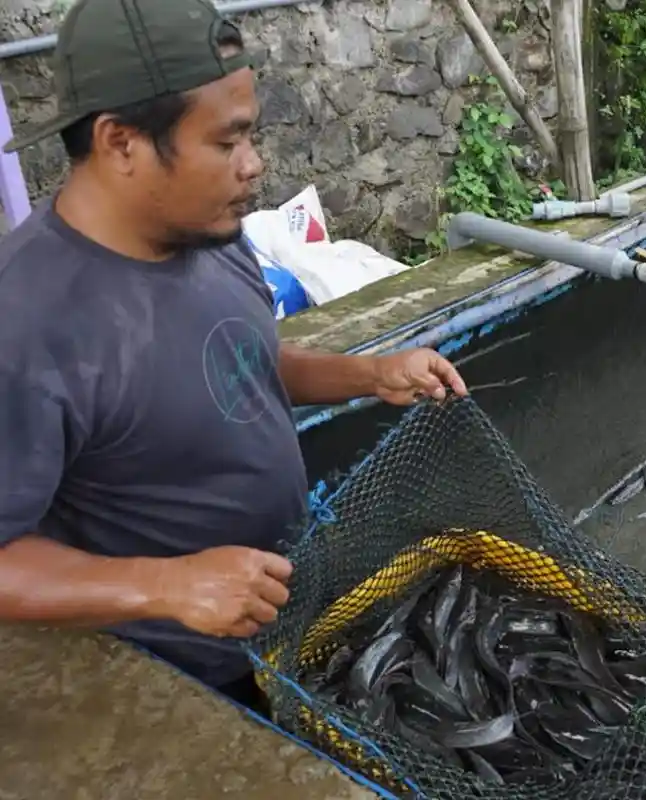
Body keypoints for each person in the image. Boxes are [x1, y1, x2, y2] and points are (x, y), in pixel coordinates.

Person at [0, 0, 468, 711]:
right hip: (180, 679)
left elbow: (242, 362)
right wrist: (166, 586)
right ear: (120, 141)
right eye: (226, 144)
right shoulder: (26, 325)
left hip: (292, 621)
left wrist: (370, 375)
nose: (254, 167)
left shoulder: (207, 237)